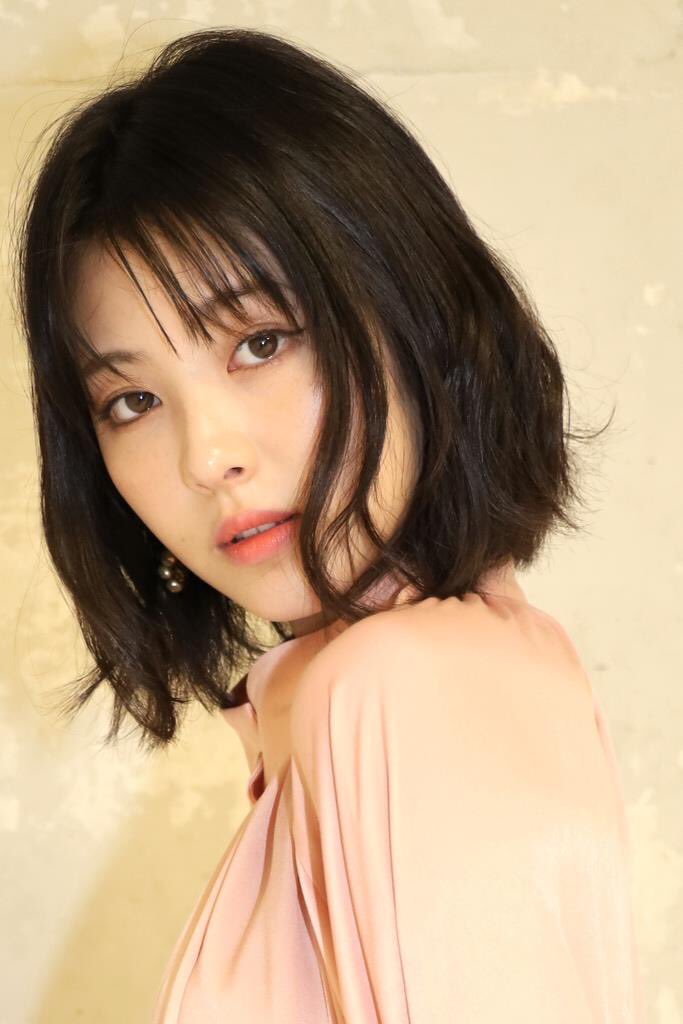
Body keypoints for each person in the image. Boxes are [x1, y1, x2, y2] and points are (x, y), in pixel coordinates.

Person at [13, 26, 645, 1023]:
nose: (206, 456)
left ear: (411, 308)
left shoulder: (393, 694)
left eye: (260, 342)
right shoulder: (459, 670)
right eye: (131, 401)